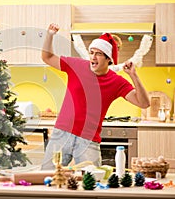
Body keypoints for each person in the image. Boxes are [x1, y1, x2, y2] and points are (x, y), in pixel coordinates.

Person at [41, 23, 150, 170]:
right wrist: (49, 35)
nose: (93, 57)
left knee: (92, 182)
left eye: (98, 53)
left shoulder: (117, 82)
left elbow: (144, 103)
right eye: (91, 52)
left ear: (108, 59)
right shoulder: (76, 65)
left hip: (88, 139)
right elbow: (47, 57)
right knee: (47, 177)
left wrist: (134, 76)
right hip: (62, 134)